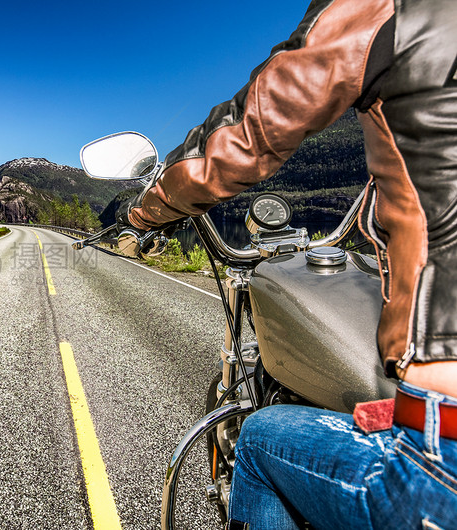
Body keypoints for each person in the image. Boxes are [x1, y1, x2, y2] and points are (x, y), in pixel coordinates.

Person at [115, 0, 457, 527]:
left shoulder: (385, 10)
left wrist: (143, 216)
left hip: (444, 448)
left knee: (258, 442)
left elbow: (246, 135)